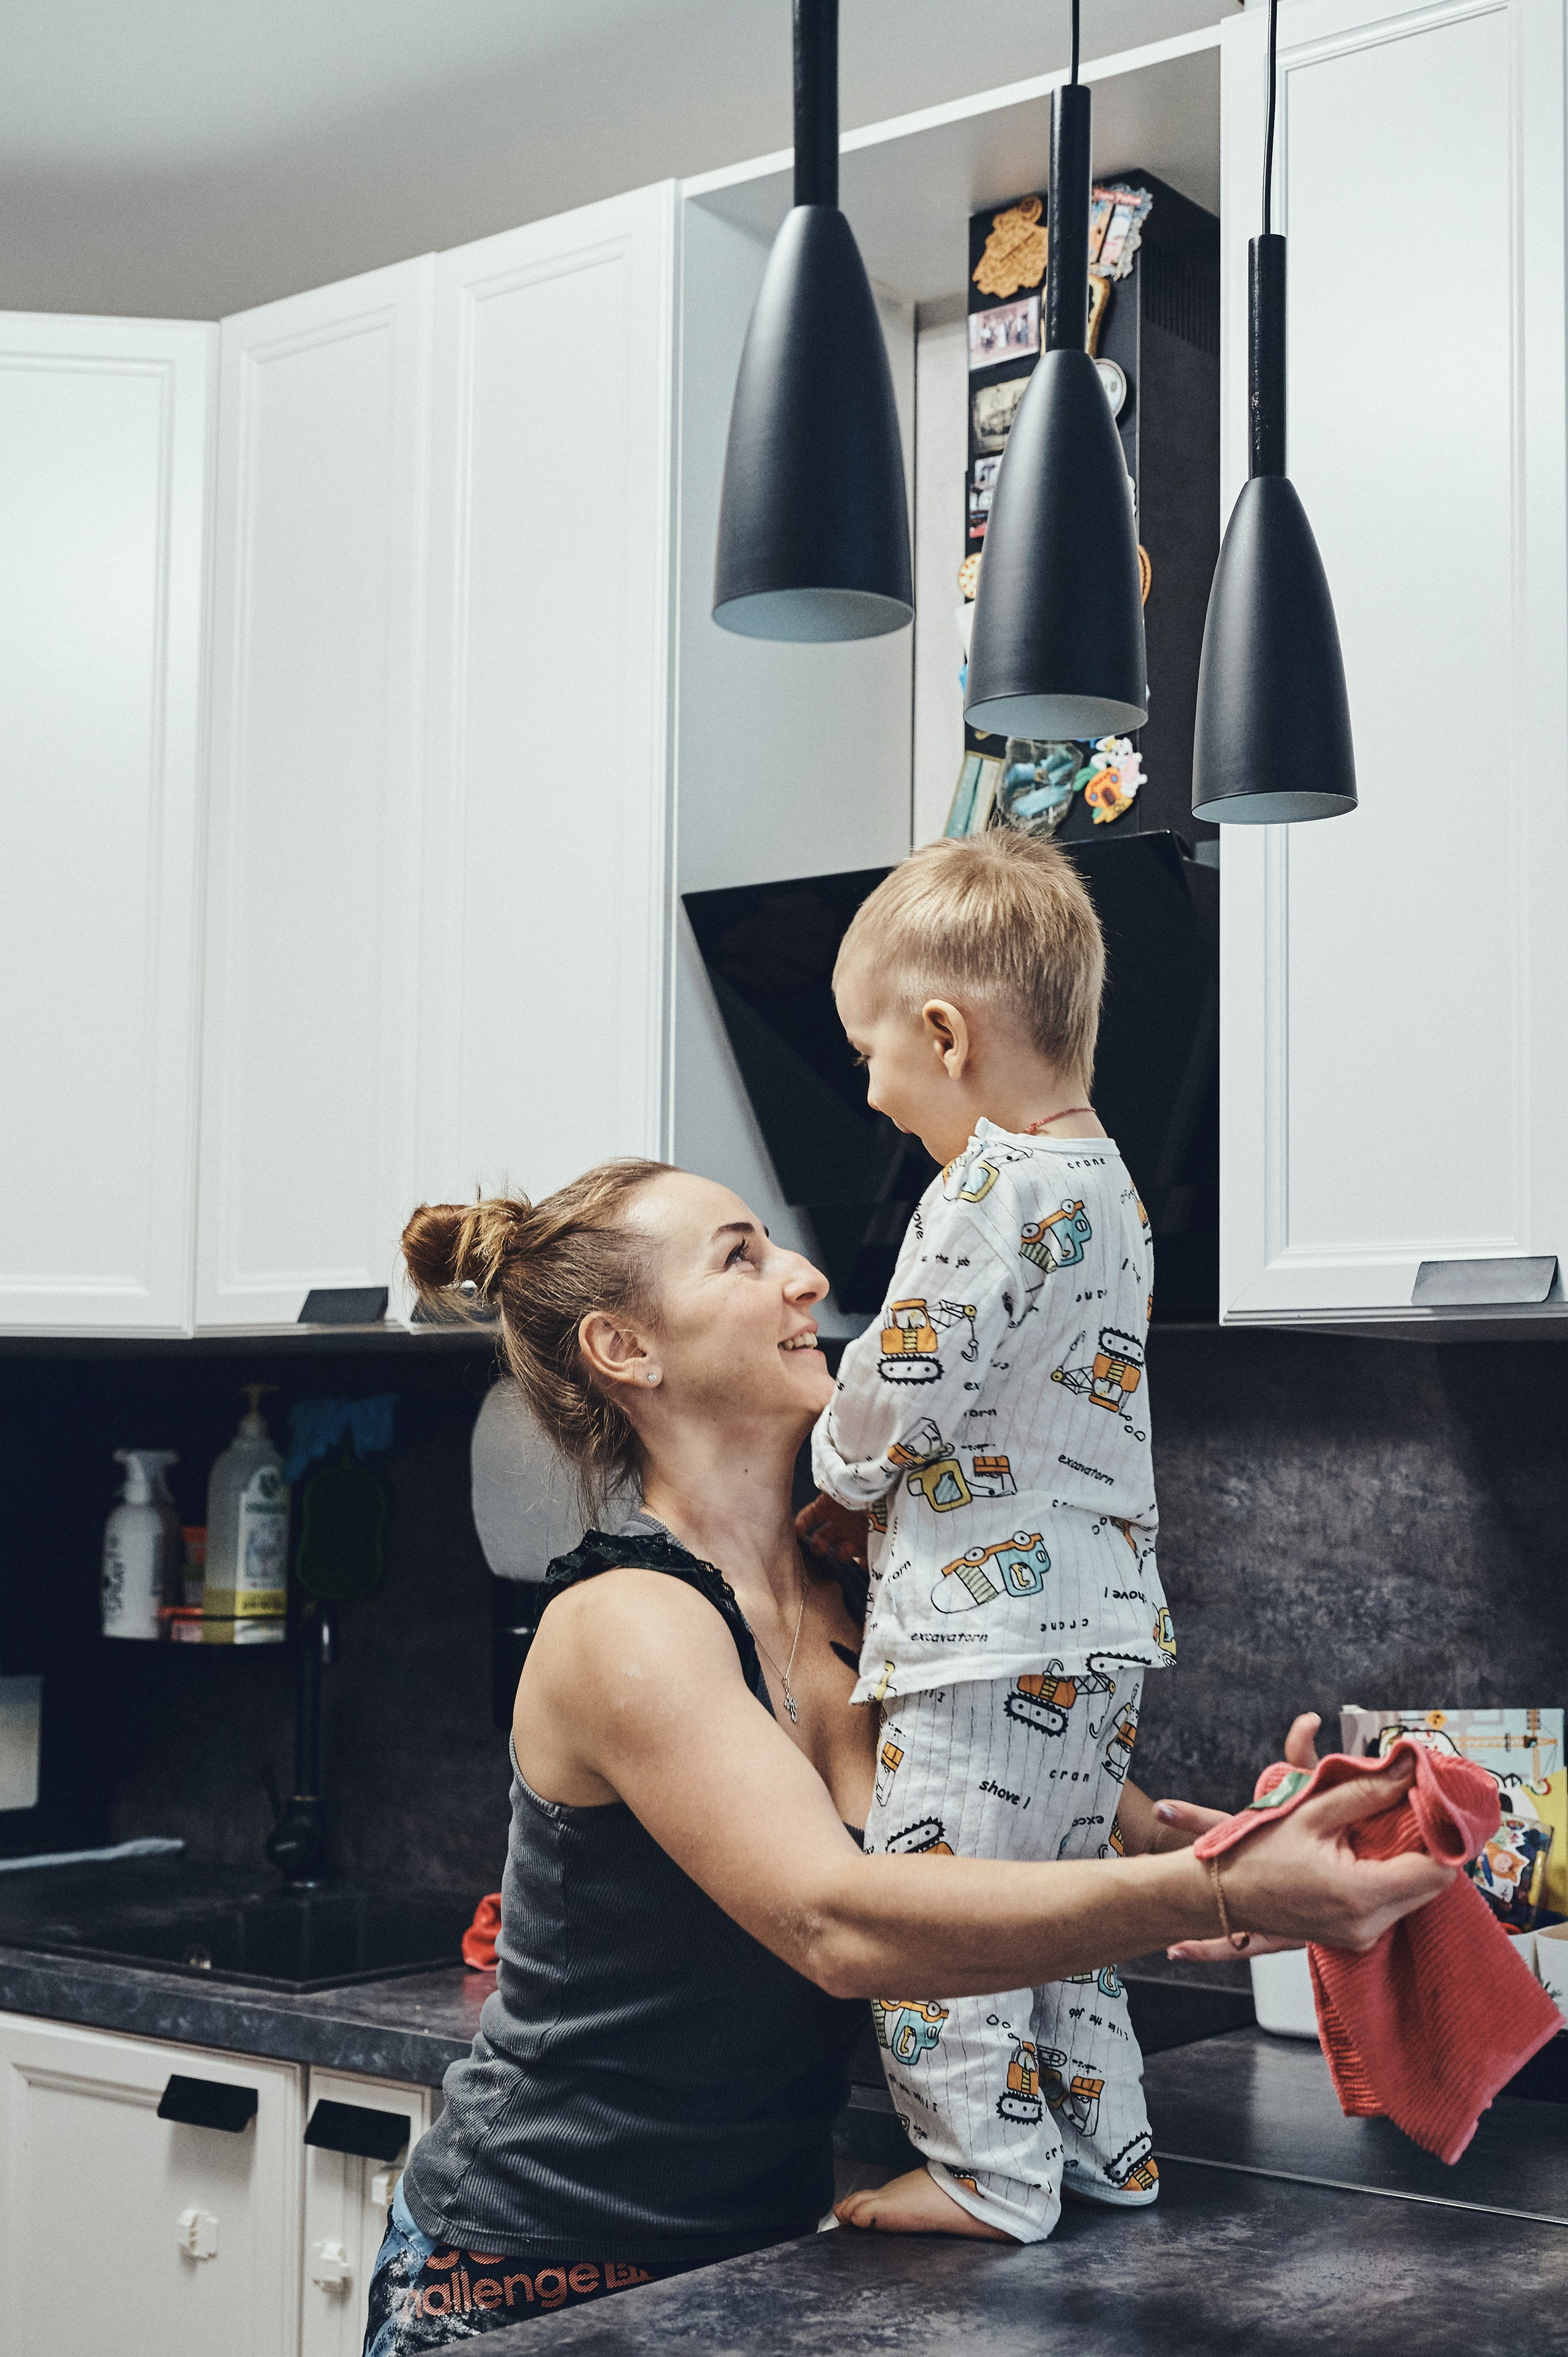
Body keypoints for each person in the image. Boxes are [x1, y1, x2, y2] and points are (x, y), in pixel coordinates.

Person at [363, 1158, 1453, 2352]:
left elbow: (1051, 1805)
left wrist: (1264, 1837)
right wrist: (1209, 1889)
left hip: (751, 2252)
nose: (806, 1278)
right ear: (625, 1348)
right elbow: (839, 1927)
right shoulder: (623, 1624)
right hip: (530, 2266)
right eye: (739, 1255)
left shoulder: (878, 1594)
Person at [802, 831, 1169, 2241]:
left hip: (978, 1633)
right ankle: (1104, 2149)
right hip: (1095, 1630)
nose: (875, 1089)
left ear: (943, 1034)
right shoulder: (1105, 1185)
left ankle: (983, 2173)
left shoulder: (983, 1192)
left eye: (868, 1052)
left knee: (933, 1914)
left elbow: (898, 1384)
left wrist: (838, 1460)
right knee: (1057, 1914)